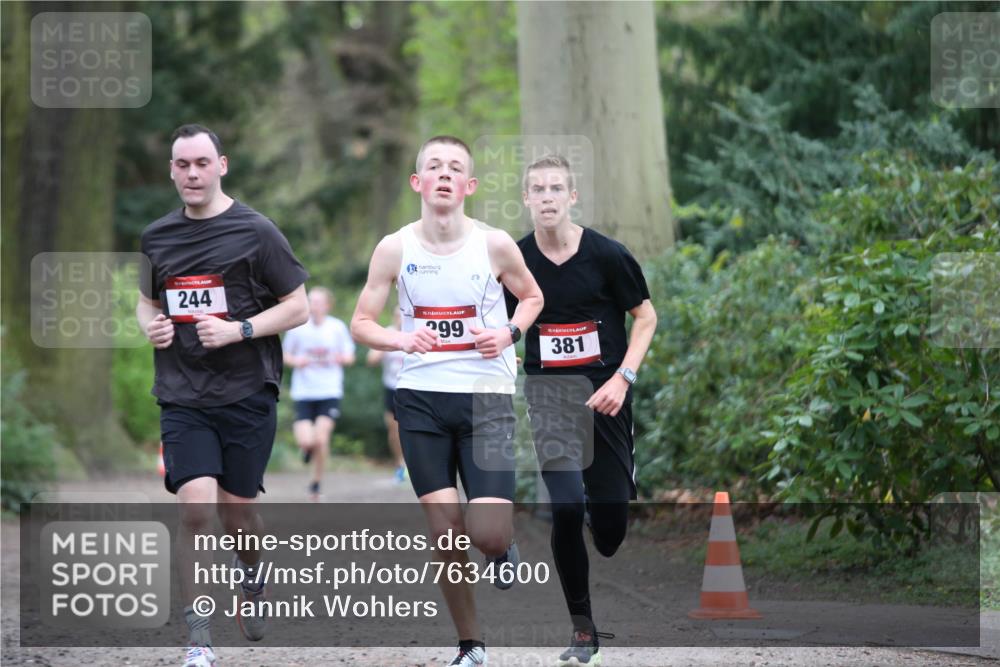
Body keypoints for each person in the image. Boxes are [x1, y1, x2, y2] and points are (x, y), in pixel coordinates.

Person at [350, 135, 544, 667]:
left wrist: (507, 333)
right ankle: (470, 645)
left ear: (468, 185)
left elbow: (533, 297)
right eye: (433, 166)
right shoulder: (394, 248)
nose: (443, 174)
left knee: (486, 533)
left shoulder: (495, 245)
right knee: (445, 533)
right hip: (421, 401)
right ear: (418, 182)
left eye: (454, 168)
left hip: (486, 400)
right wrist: (400, 339)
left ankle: (502, 548)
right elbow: (361, 323)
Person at [137, 124, 309, 667]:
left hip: (245, 392)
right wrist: (151, 326)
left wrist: (240, 330)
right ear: (171, 170)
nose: (192, 173)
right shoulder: (156, 237)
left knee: (238, 518)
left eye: (202, 163)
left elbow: (298, 306)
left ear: (222, 166)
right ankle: (198, 639)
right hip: (182, 393)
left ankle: (252, 572)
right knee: (195, 510)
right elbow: (147, 302)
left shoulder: (257, 231)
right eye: (182, 164)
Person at [504, 155, 657, 667]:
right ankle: (583, 627)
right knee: (566, 507)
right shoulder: (515, 261)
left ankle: (609, 493)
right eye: (538, 189)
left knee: (610, 535)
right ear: (526, 199)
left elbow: (646, 318)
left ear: (572, 196)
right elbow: (496, 326)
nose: (547, 197)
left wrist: (623, 378)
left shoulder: (607, 255)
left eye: (556, 188)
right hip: (549, 396)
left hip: (607, 394)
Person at [283, 286, 356, 500]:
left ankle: (315, 484)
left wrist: (341, 358)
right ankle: (306, 449)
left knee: (321, 439)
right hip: (304, 392)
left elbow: (350, 356)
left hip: (329, 391)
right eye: (310, 301)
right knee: (307, 441)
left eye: (316, 302)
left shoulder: (337, 327)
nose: (312, 305)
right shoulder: (298, 328)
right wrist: (297, 361)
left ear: (327, 305)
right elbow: (284, 354)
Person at [366, 309, 407, 483]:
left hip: (413, 389)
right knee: (394, 430)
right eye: (398, 316)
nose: (400, 319)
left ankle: (415, 466)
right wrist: (389, 343)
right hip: (392, 388)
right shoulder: (387, 333)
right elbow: (371, 360)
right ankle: (400, 465)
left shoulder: (417, 331)